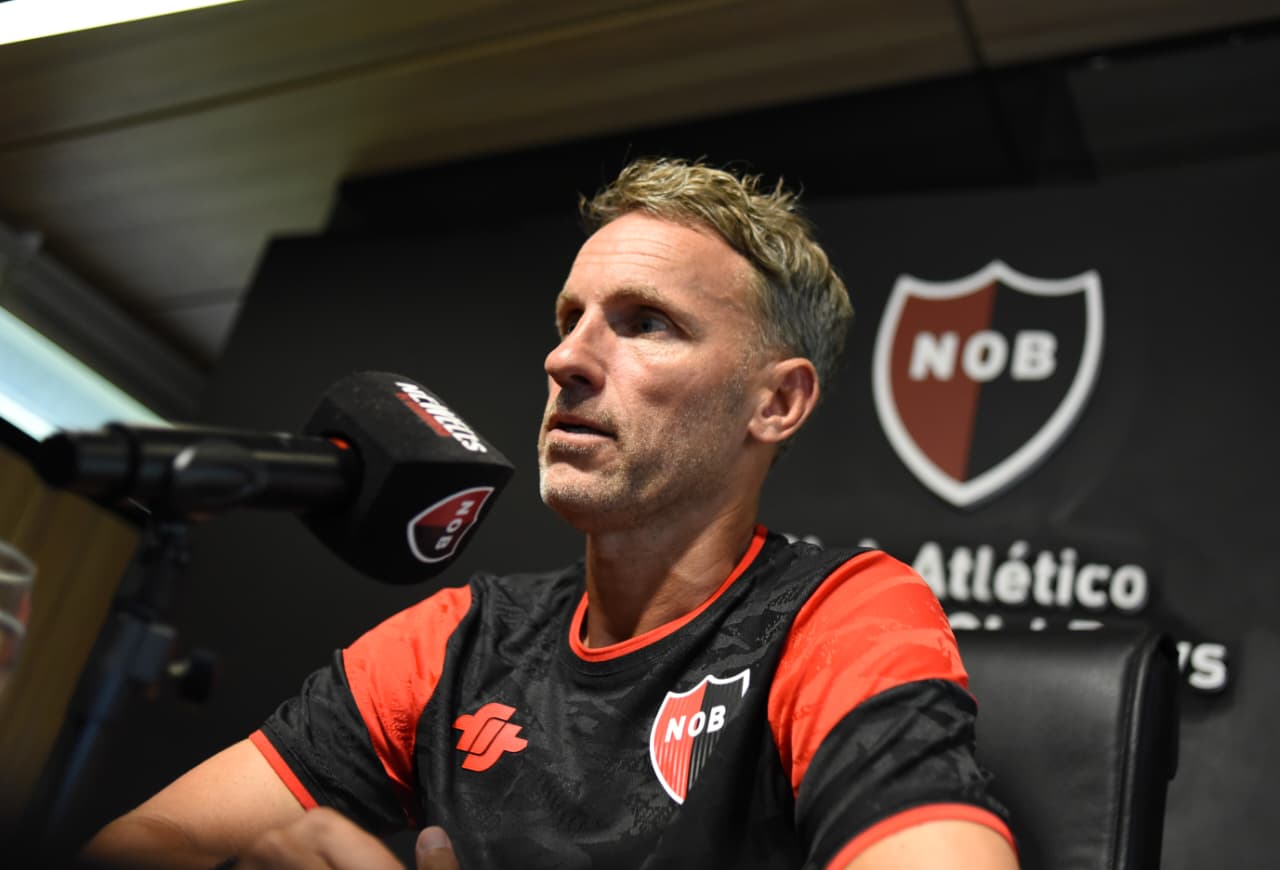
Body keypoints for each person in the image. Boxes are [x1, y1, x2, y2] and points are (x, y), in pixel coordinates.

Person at [82, 158, 1018, 869]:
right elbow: (145, 839)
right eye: (570, 318)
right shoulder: (458, 641)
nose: (565, 359)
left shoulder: (835, 616)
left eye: (645, 322)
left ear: (775, 403)